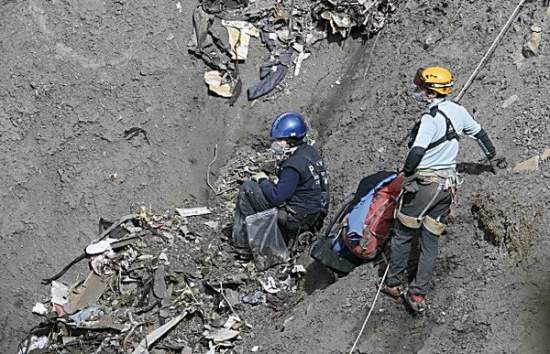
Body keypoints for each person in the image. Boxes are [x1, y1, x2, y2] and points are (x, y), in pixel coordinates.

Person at [382, 66, 498, 313]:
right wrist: (493, 157)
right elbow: (479, 134)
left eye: (422, 88)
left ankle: (393, 283)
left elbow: (416, 153)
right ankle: (418, 294)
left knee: (403, 233)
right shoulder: (458, 111)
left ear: (430, 92)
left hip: (425, 185)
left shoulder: (430, 118)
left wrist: (408, 174)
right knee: (430, 240)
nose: (419, 91)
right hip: (447, 188)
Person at [232, 111, 329, 251]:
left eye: (279, 140)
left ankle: (244, 246)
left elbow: (276, 197)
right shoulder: (309, 151)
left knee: (247, 189)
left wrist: (263, 180)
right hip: (314, 213)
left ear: (290, 140)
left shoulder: (293, 164)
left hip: (296, 218)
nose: (275, 144)